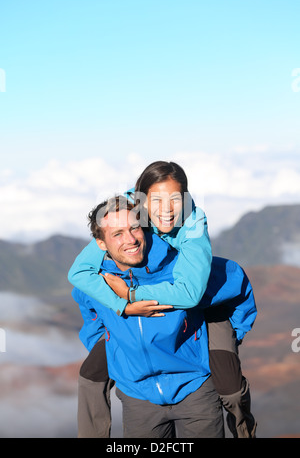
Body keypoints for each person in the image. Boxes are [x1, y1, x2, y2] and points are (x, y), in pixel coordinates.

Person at [68, 161, 257, 438]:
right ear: (141, 201)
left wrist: (131, 294)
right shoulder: (119, 228)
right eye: (156, 199)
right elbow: (80, 280)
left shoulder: (191, 230)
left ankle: (244, 431)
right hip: (138, 394)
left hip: (196, 363)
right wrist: (117, 321)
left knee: (229, 383)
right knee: (90, 377)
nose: (166, 209)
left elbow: (197, 292)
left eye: (175, 199)